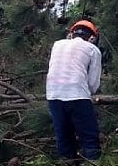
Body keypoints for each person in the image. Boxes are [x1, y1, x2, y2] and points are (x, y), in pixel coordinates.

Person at [46, 19, 102, 165]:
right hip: (78, 95)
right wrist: (86, 93)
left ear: (71, 34)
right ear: (92, 37)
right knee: (89, 137)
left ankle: (68, 161)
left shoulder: (57, 44)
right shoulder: (92, 49)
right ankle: (92, 162)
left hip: (53, 95)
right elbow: (93, 83)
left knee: (64, 137)